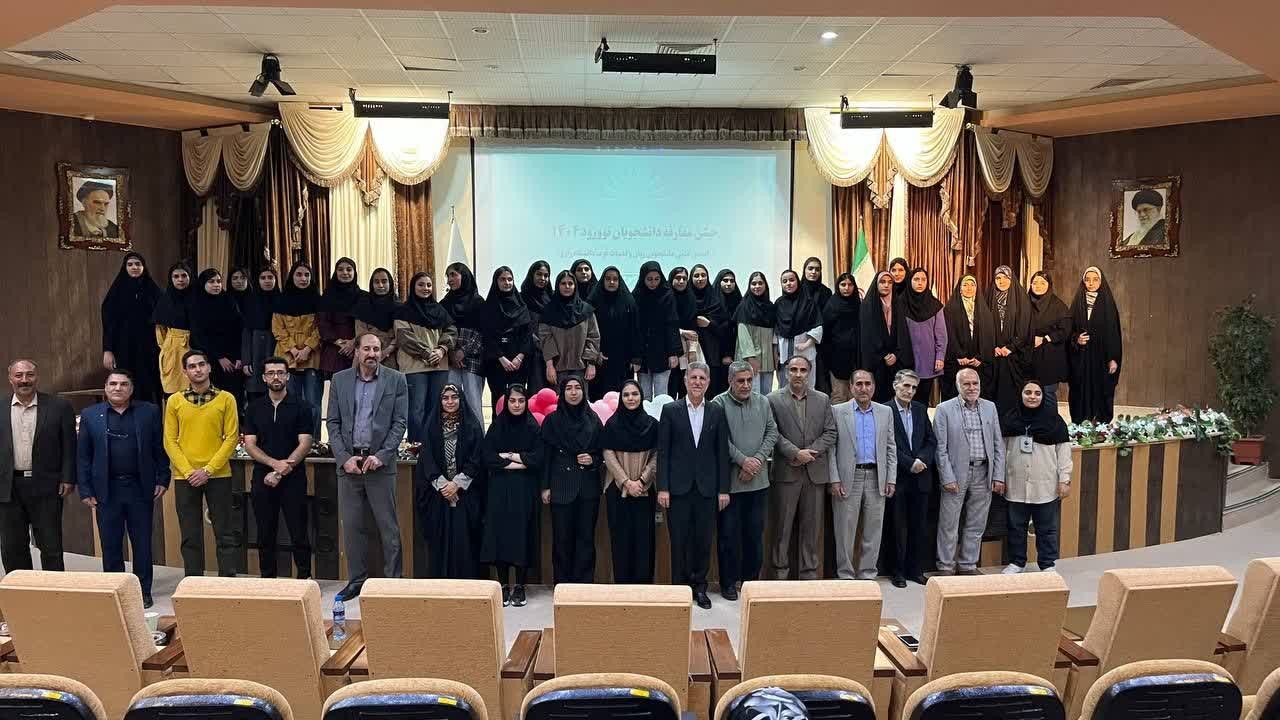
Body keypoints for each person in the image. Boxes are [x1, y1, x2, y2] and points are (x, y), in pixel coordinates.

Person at [327, 333, 409, 599]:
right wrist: (344, 458)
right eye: (367, 349)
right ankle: (356, 581)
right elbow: (333, 423)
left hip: (380, 465)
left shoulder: (396, 380)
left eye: (376, 349)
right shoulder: (339, 380)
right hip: (349, 466)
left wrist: (382, 456)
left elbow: (399, 423)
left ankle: (393, 582)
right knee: (352, 527)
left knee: (388, 527)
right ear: (357, 352)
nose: (372, 354)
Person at [76, 369, 167, 606]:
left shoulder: (149, 412)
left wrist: (163, 478)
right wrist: (85, 489)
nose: (118, 388)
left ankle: (142, 591)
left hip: (140, 488)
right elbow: (83, 456)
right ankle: (115, 590)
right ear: (106, 388)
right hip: (106, 490)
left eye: (123, 384)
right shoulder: (90, 415)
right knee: (110, 544)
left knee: (142, 543)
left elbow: (159, 448)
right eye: (113, 384)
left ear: (131, 388)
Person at [657, 362, 729, 609]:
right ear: (685, 380)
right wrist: (663, 487)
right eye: (693, 377)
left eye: (702, 378)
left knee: (703, 541)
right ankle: (679, 589)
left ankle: (700, 587)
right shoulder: (670, 410)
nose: (697, 382)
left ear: (708, 383)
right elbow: (663, 452)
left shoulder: (717, 411)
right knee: (679, 540)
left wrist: (723, 489)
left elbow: (722, 453)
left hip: (707, 489)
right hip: (677, 489)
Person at [163, 349, 240, 577]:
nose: (197, 369)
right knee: (190, 534)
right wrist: (189, 471)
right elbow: (169, 440)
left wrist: (208, 470)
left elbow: (231, 438)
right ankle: (193, 581)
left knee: (225, 532)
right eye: (192, 366)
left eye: (201, 364)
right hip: (185, 477)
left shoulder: (226, 398)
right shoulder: (175, 401)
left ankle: (227, 581)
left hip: (218, 475)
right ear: (185, 372)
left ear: (209, 367)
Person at [242, 357, 314, 579]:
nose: (276, 377)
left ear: (287, 376)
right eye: (271, 373)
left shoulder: (302, 406)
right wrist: (274, 466)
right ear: (264, 378)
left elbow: (305, 443)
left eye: (280, 373)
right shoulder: (253, 408)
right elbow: (250, 444)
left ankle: (304, 579)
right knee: (265, 533)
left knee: (299, 532)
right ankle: (268, 581)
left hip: (294, 478)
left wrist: (281, 471)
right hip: (262, 477)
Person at [765, 356, 837, 580]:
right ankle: (779, 575)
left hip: (814, 474)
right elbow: (772, 432)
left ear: (809, 373)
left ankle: (809, 575)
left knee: (811, 529)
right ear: (786, 372)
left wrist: (809, 453)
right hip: (786, 472)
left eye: (803, 370)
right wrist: (795, 453)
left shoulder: (822, 399)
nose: (798, 374)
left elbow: (831, 432)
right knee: (782, 529)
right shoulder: (772, 399)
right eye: (793, 369)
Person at [711, 361, 777, 600]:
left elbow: (772, 432)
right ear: (730, 381)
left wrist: (756, 461)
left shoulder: (763, 402)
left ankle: (751, 582)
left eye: (749, 380)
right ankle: (729, 583)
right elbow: (719, 438)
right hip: (730, 484)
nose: (746, 385)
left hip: (758, 483)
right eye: (741, 381)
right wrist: (742, 461)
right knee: (728, 536)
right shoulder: (718, 403)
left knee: (754, 536)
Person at [0, 360, 74, 573]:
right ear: (10, 378)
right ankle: (22, 590)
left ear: (37, 377)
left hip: (46, 485)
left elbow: (69, 445)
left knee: (51, 547)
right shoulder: (1, 407)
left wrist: (68, 477)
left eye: (29, 375)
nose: (24, 380)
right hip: (8, 487)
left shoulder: (59, 407)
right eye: (19, 375)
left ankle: (54, 590)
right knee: (12, 547)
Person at [933, 368, 1005, 576]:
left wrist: (998, 475)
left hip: (983, 472)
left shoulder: (990, 407)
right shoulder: (944, 409)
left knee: (976, 522)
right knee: (949, 523)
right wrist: (947, 477)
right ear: (958, 386)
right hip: (956, 474)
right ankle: (945, 566)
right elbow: (940, 448)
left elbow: (998, 444)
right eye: (966, 384)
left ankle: (968, 564)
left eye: (975, 383)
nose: (972, 387)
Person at [828, 370, 896, 581]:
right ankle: (845, 575)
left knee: (873, 530)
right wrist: (834, 478)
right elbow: (831, 448)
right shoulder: (837, 411)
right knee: (844, 531)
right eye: (858, 384)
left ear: (873, 387)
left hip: (877, 477)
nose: (863, 388)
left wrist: (891, 478)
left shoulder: (885, 412)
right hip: (849, 477)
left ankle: (868, 574)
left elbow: (891, 447)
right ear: (851, 387)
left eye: (867, 384)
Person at [480, 385, 543, 606]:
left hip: (524, 490)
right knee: (500, 535)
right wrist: (520, 462)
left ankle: (520, 586)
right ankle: (504, 585)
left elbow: (538, 458)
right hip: (498, 489)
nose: (516, 405)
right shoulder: (497, 426)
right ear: (506, 402)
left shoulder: (533, 427)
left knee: (521, 534)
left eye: (521, 401)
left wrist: (509, 457)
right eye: (512, 401)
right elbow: (487, 457)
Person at [1000, 380, 1072, 575]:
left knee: (1046, 528)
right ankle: (1017, 562)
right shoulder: (1010, 419)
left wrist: (1064, 480)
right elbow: (1001, 452)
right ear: (1020, 394)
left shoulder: (1055, 422)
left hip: (1045, 485)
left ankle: (1047, 563)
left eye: (1037, 393)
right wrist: (999, 478)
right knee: (1016, 527)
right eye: (1028, 392)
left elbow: (1064, 453)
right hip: (1015, 484)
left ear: (1043, 396)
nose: (1032, 397)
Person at [416, 383, 485, 579]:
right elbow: (426, 458)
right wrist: (444, 485)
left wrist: (457, 484)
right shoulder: (431, 426)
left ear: (461, 399)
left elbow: (476, 458)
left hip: (466, 495)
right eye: (445, 398)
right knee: (439, 541)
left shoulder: (472, 426)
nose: (450, 401)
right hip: (438, 494)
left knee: (466, 542)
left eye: (454, 397)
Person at [540, 377, 603, 584]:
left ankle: (584, 587)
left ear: (584, 392)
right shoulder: (552, 421)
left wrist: (592, 459)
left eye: (577, 388)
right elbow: (546, 456)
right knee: (562, 540)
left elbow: (602, 452)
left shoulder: (593, 419)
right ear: (562, 392)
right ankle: (563, 585)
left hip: (587, 487)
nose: (574, 392)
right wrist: (545, 486)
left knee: (586, 539)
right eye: (569, 388)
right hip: (561, 486)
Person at [602, 379, 659, 584]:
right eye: (626, 395)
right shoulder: (612, 425)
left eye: (635, 394)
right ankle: (622, 588)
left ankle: (643, 589)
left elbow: (657, 455)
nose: (631, 398)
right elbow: (608, 454)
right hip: (618, 491)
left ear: (641, 397)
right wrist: (627, 482)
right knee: (621, 540)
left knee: (644, 540)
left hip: (645, 490)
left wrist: (642, 481)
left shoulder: (652, 425)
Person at [394, 272, 456, 443]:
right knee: (416, 410)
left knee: (436, 408)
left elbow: (451, 331)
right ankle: (416, 447)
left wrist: (441, 350)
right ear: (413, 287)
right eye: (421, 284)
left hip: (439, 366)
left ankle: (433, 447)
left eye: (429, 285)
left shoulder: (440, 310)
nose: (426, 288)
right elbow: (404, 337)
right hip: (414, 367)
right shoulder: (403, 311)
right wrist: (427, 353)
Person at [888, 369, 936, 587]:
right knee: (898, 528)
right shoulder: (885, 410)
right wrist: (909, 463)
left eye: (914, 387)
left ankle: (915, 570)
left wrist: (922, 459)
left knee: (919, 526)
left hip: (921, 476)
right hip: (898, 477)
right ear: (895, 386)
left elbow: (930, 440)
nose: (910, 391)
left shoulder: (919, 409)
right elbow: (887, 445)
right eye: (906, 385)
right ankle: (898, 571)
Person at [101, 251, 162, 403]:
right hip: (124, 348)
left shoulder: (154, 291)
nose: (134, 267)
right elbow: (109, 325)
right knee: (125, 383)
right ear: (125, 267)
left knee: (150, 386)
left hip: (150, 349)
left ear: (144, 267)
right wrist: (108, 350)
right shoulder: (116, 293)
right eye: (130, 264)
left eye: (138, 264)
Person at [272, 261, 323, 436]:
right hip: (287, 358)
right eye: (299, 275)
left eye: (307, 275)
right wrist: (293, 350)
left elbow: (320, 329)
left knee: (313, 404)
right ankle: (290, 441)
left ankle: (314, 442)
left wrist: (307, 349)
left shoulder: (318, 301)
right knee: (289, 404)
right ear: (292, 277)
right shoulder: (281, 300)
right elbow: (278, 330)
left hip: (312, 358)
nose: (303, 278)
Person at [1068, 267, 1123, 424]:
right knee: (1080, 390)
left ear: (1101, 281)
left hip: (1101, 357)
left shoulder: (1107, 303)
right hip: (1081, 357)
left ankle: (1100, 426)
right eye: (1087, 280)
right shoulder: (1077, 303)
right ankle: (1079, 425)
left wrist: (1113, 358)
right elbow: (1069, 330)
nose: (1091, 283)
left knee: (1101, 390)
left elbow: (1114, 333)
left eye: (1095, 279)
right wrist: (1076, 339)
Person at [538, 271, 601, 395]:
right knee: (560, 401)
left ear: (575, 286)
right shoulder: (548, 311)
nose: (567, 286)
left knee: (581, 400)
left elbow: (593, 337)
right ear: (557, 285)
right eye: (563, 283)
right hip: (557, 368)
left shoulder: (586, 310)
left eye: (570, 283)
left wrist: (591, 364)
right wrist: (550, 366)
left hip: (581, 368)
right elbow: (546, 339)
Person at [480, 266, 533, 412]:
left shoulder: (521, 306)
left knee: (518, 400)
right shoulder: (488, 307)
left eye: (510, 279)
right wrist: (501, 358)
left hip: (519, 363)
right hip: (496, 362)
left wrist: (519, 357)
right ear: (496, 282)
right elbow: (486, 335)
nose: (507, 282)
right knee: (499, 400)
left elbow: (527, 334)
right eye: (502, 279)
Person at [189, 269, 244, 404]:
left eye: (218, 281)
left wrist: (238, 356)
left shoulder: (229, 301)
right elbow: (199, 336)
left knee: (233, 398)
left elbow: (238, 330)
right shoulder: (197, 305)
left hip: (233, 359)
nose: (216, 285)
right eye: (211, 282)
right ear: (203, 284)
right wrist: (219, 357)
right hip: (209, 359)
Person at [442, 262, 486, 424]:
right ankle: (451, 438)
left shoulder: (478, 302)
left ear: (464, 276)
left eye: (453, 275)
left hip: (473, 359)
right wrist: (452, 353)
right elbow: (441, 331)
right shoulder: (444, 304)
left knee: (473, 403)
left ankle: (477, 439)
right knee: (450, 401)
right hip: (450, 360)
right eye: (448, 276)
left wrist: (463, 352)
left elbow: (483, 332)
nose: (449, 279)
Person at [860, 271, 914, 403]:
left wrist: (896, 354)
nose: (886, 285)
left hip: (896, 360)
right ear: (876, 284)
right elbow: (867, 336)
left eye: (890, 282)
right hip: (877, 361)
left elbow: (903, 334)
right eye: (882, 282)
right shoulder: (867, 305)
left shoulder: (898, 304)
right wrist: (883, 355)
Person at [986, 265, 1032, 415]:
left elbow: (1024, 327)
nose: (1001, 281)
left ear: (1012, 279)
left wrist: (1010, 347)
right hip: (993, 355)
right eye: (998, 278)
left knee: (1012, 395)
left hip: (1014, 356)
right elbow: (983, 325)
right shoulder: (987, 297)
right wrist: (993, 346)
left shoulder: (1022, 299)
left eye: (1005, 278)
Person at [632, 261, 681, 400]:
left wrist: (673, 353)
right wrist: (635, 356)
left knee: (661, 395)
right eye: (649, 279)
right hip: (643, 353)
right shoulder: (636, 296)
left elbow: (672, 325)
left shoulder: (667, 295)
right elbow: (633, 328)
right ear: (642, 278)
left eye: (656, 279)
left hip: (663, 352)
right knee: (644, 395)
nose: (653, 283)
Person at [588, 266, 639, 398]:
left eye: (615, 279)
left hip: (623, 359)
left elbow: (635, 330)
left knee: (621, 395)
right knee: (599, 396)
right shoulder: (593, 302)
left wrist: (635, 357)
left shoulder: (629, 302)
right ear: (603, 280)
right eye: (608, 279)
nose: (611, 282)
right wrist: (595, 354)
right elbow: (588, 332)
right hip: (601, 358)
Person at [941, 274, 994, 402]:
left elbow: (989, 336)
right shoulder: (949, 309)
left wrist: (980, 357)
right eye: (965, 285)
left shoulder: (984, 310)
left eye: (972, 285)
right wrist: (959, 356)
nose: (969, 288)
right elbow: (948, 335)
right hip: (957, 362)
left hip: (978, 363)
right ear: (960, 288)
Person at [1027, 271, 1072, 407]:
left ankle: (1051, 421)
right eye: (1035, 283)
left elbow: (1065, 330)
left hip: (1049, 357)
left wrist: (1045, 338)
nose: (1038, 286)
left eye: (1042, 283)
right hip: (1028, 357)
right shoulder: (1024, 303)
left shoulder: (1058, 305)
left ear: (1049, 285)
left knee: (1047, 395)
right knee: (1028, 395)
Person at [903, 268, 947, 405]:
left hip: (928, 360)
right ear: (910, 281)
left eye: (923, 279)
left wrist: (940, 357)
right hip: (906, 359)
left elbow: (941, 334)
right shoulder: (900, 303)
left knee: (922, 402)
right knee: (905, 399)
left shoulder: (935, 305)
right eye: (916, 279)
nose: (920, 283)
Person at [774, 270, 823, 391]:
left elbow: (818, 326)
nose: (788, 283)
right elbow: (775, 329)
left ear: (798, 282)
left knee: (807, 387)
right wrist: (775, 353)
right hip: (784, 352)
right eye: (784, 281)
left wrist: (806, 344)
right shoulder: (779, 303)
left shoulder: (809, 302)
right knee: (785, 388)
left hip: (804, 350)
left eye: (792, 280)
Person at [318, 257, 363, 386]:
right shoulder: (327, 296)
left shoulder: (363, 297)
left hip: (359, 347)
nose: (345, 273)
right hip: (334, 349)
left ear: (354, 272)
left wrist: (354, 342)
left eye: (349, 269)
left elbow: (367, 324)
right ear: (335, 272)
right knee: (338, 391)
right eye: (340, 269)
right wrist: (340, 343)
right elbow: (323, 322)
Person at [153, 262, 194, 396]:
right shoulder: (166, 299)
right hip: (173, 348)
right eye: (176, 276)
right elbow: (160, 329)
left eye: (184, 276)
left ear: (190, 277)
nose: (180, 280)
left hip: (196, 345)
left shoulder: (199, 298)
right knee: (174, 389)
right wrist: (167, 347)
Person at [734, 271, 778, 395]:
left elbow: (774, 334)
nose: (757, 286)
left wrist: (775, 355)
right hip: (749, 360)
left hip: (767, 360)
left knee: (766, 394)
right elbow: (743, 334)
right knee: (749, 393)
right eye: (754, 283)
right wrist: (751, 358)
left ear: (765, 285)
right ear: (749, 286)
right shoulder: (744, 306)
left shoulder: (770, 307)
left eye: (760, 283)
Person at [240, 267, 281, 401]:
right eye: (263, 278)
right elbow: (246, 333)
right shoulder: (250, 301)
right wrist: (246, 361)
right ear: (257, 281)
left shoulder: (283, 300)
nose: (267, 281)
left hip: (277, 346)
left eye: (270, 277)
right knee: (255, 395)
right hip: (255, 350)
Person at [690, 265, 730, 399]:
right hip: (691, 353)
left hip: (713, 355)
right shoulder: (686, 300)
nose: (700, 279)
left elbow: (725, 329)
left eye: (703, 275)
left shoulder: (716, 300)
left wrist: (709, 324)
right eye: (696, 276)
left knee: (713, 393)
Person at [821, 272, 861, 404]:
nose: (846, 288)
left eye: (850, 285)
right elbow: (825, 334)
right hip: (836, 359)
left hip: (855, 359)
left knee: (856, 396)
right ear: (838, 286)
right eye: (843, 284)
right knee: (839, 396)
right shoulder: (831, 305)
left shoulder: (858, 304)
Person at [352, 268, 399, 368]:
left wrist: (387, 351)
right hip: (366, 356)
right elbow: (360, 333)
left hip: (391, 357)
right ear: (372, 284)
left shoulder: (399, 307)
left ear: (390, 283)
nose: (380, 285)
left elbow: (400, 334)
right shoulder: (362, 305)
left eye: (384, 281)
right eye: (376, 282)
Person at [520, 260, 553, 393]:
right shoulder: (521, 298)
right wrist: (532, 339)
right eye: (539, 274)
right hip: (528, 352)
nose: (542, 278)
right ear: (531, 275)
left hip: (551, 352)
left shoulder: (553, 298)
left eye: (546, 275)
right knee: (534, 392)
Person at [668, 266, 698, 398]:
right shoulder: (666, 298)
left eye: (684, 279)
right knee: (670, 387)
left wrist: (692, 349)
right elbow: (664, 324)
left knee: (684, 386)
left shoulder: (690, 298)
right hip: (670, 350)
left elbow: (693, 328)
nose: (681, 281)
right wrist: (681, 332)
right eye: (678, 278)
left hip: (687, 350)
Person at [714, 269, 743, 392]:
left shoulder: (740, 302)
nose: (729, 284)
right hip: (715, 355)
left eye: (732, 281)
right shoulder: (712, 301)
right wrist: (724, 354)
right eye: (725, 280)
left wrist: (730, 354)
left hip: (735, 354)